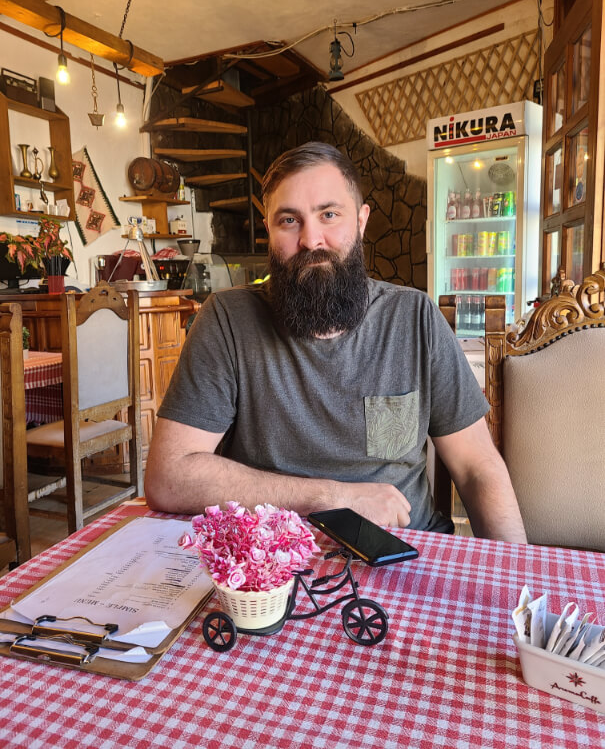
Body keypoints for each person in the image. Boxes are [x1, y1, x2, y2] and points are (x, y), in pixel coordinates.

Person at [145, 142, 527, 543]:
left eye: (329, 214)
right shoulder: (226, 321)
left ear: (361, 222)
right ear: (269, 231)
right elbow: (169, 475)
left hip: (404, 550)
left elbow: (477, 467)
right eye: (289, 220)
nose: (311, 239)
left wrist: (519, 576)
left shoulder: (414, 318)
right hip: (271, 562)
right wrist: (331, 497)